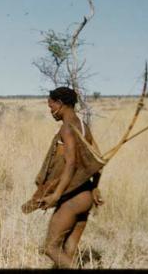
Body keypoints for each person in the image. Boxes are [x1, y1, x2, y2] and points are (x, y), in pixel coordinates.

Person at [25, 87, 104, 268]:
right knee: (68, 249)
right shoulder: (84, 126)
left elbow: (70, 164)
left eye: (51, 106)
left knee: (51, 248)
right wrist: (95, 187)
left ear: (60, 104)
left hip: (72, 198)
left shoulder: (66, 129)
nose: (50, 110)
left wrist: (56, 195)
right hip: (85, 196)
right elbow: (98, 160)